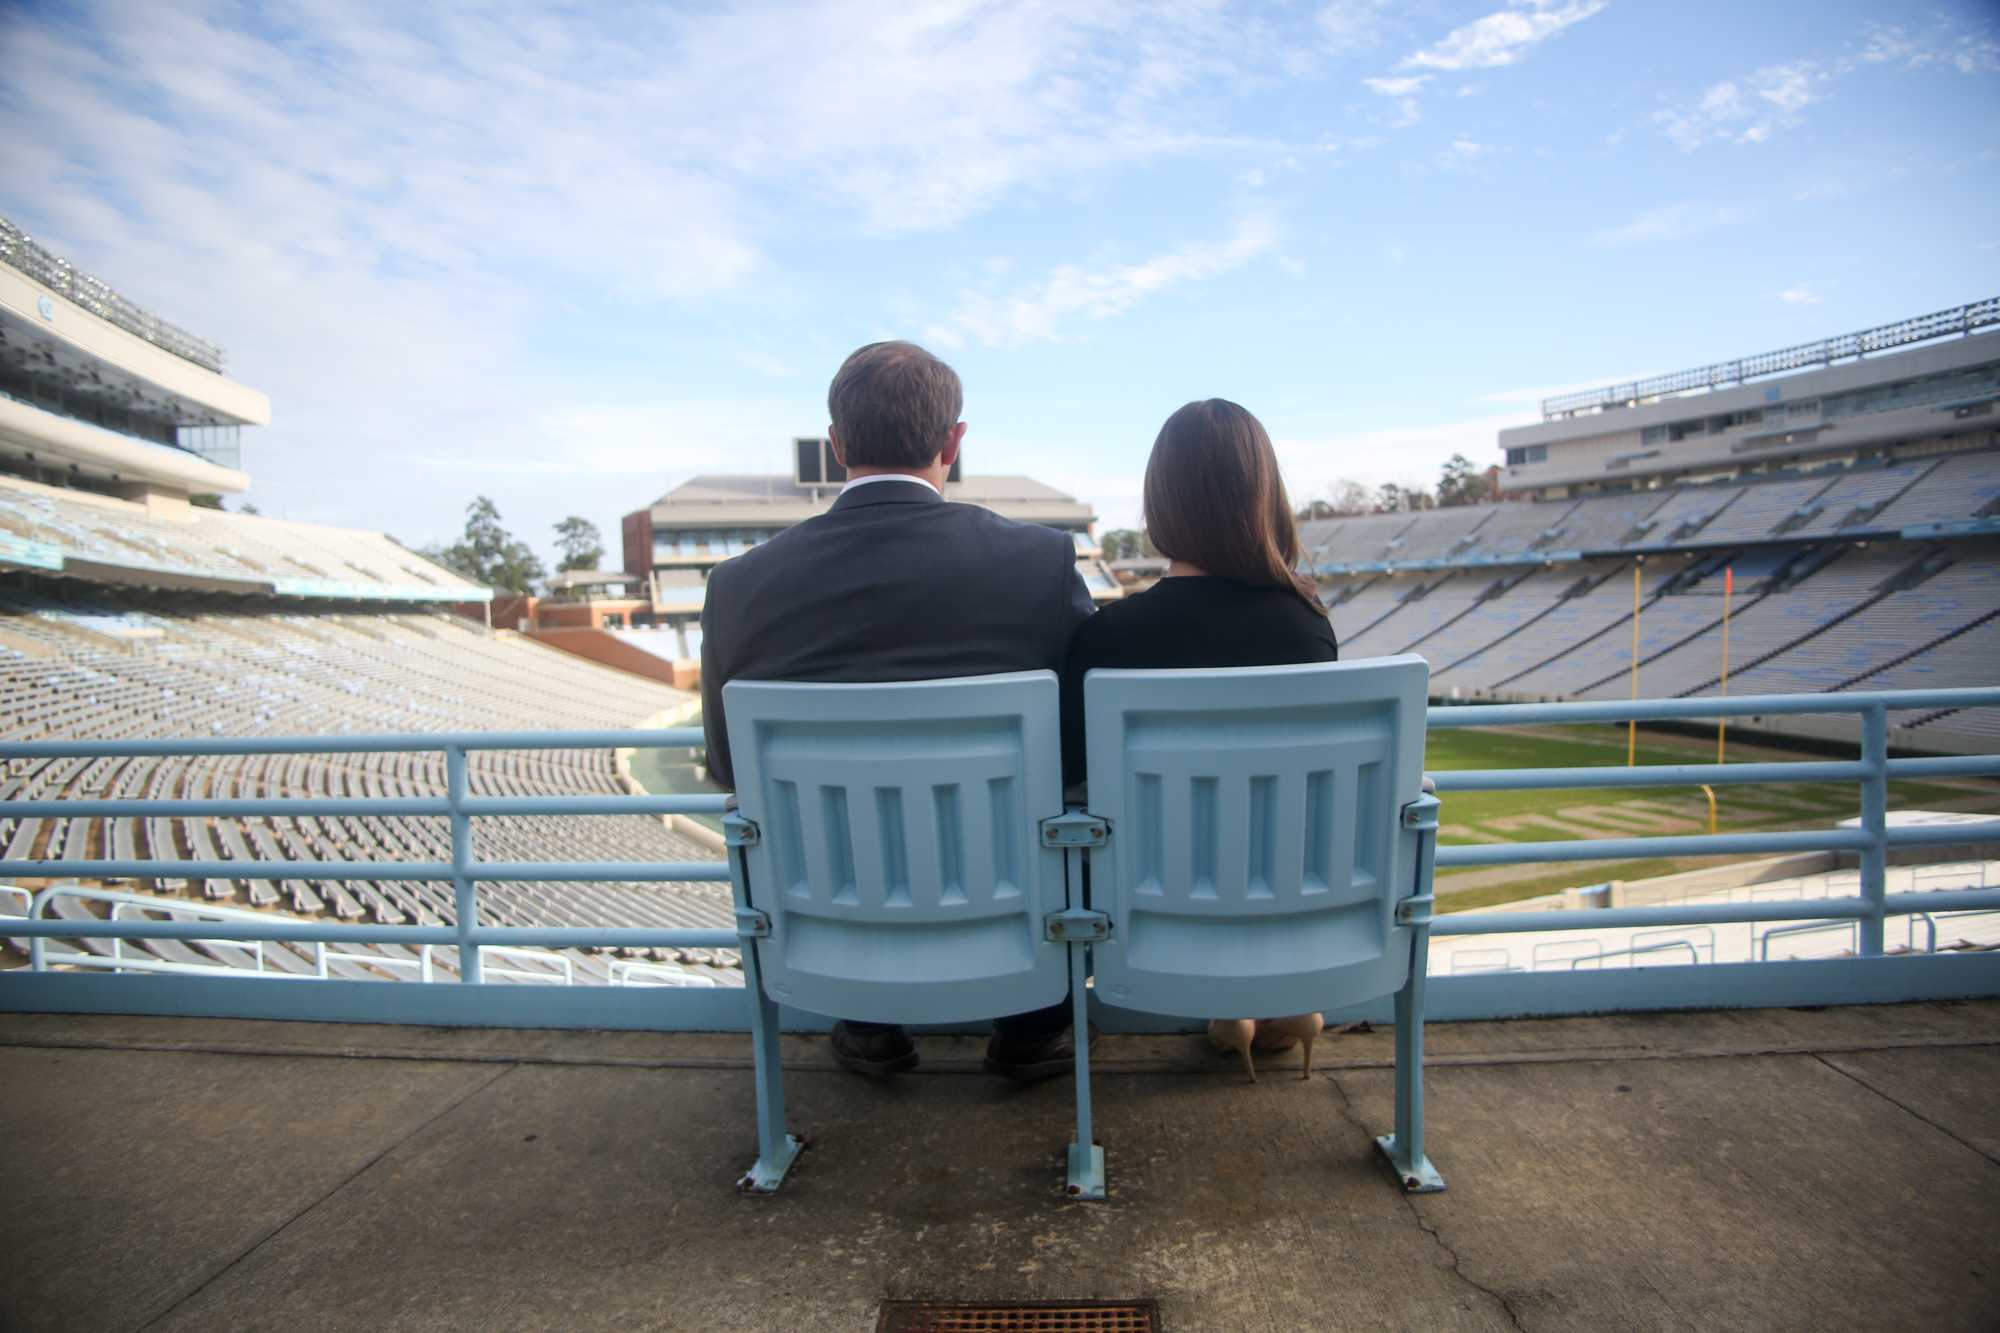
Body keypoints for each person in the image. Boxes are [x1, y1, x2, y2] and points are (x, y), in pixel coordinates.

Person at [701, 340, 1098, 1080]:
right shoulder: (1038, 561)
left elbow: (727, 764)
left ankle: (871, 1020)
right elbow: (1079, 750)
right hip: (1004, 896)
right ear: (954, 441)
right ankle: (1035, 1025)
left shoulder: (737, 585)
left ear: (838, 445)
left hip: (834, 911)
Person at [1058, 398, 1339, 1081]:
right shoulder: (1308, 630)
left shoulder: (1108, 637)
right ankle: (1269, 1001)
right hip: (1277, 898)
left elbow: (1065, 785)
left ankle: (1232, 1008)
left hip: (1149, 907)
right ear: (1264, 497)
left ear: (1162, 504)